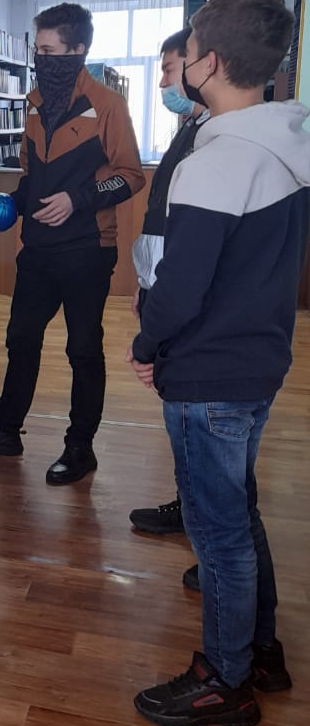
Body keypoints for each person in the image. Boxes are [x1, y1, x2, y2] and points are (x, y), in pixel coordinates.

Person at [128, 0, 308, 726]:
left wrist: (147, 345)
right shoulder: (288, 139)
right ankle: (260, 651)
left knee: (218, 532)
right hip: (258, 359)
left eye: (190, 52)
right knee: (239, 511)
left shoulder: (220, 159)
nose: (183, 67)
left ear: (212, 63)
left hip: (209, 372)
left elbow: (181, 287)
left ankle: (224, 679)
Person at [0, 2, 145, 483]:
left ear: (78, 50)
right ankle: (6, 430)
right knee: (20, 338)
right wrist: (15, 201)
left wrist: (77, 200)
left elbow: (130, 175)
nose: (41, 59)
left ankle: (80, 447)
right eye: (37, 50)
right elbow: (33, 176)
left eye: (50, 50)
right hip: (37, 249)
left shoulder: (108, 105)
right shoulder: (35, 104)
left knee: (83, 349)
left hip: (87, 249)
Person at [128, 28, 208, 538]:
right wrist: (145, 284)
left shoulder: (213, 139)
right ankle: (190, 503)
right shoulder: (190, 126)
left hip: (183, 303)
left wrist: (155, 314)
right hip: (161, 286)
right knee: (179, 415)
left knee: (194, 418)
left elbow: (190, 241)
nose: (161, 83)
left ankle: (201, 516)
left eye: (168, 69)